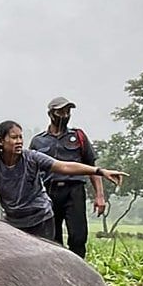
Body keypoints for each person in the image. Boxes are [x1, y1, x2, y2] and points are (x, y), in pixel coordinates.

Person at [0, 121, 125, 238]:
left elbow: (65, 167)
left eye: (21, 137)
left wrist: (99, 171)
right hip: (13, 224)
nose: (19, 142)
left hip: (41, 219)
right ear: (1, 141)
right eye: (14, 138)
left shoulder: (32, 158)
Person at [29, 96, 106, 259]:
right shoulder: (38, 141)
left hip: (74, 191)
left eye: (67, 111)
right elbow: (30, 172)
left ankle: (79, 272)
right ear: (51, 114)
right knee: (51, 238)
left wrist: (99, 196)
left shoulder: (78, 137)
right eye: (60, 111)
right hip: (48, 192)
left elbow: (92, 167)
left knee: (78, 237)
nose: (64, 115)